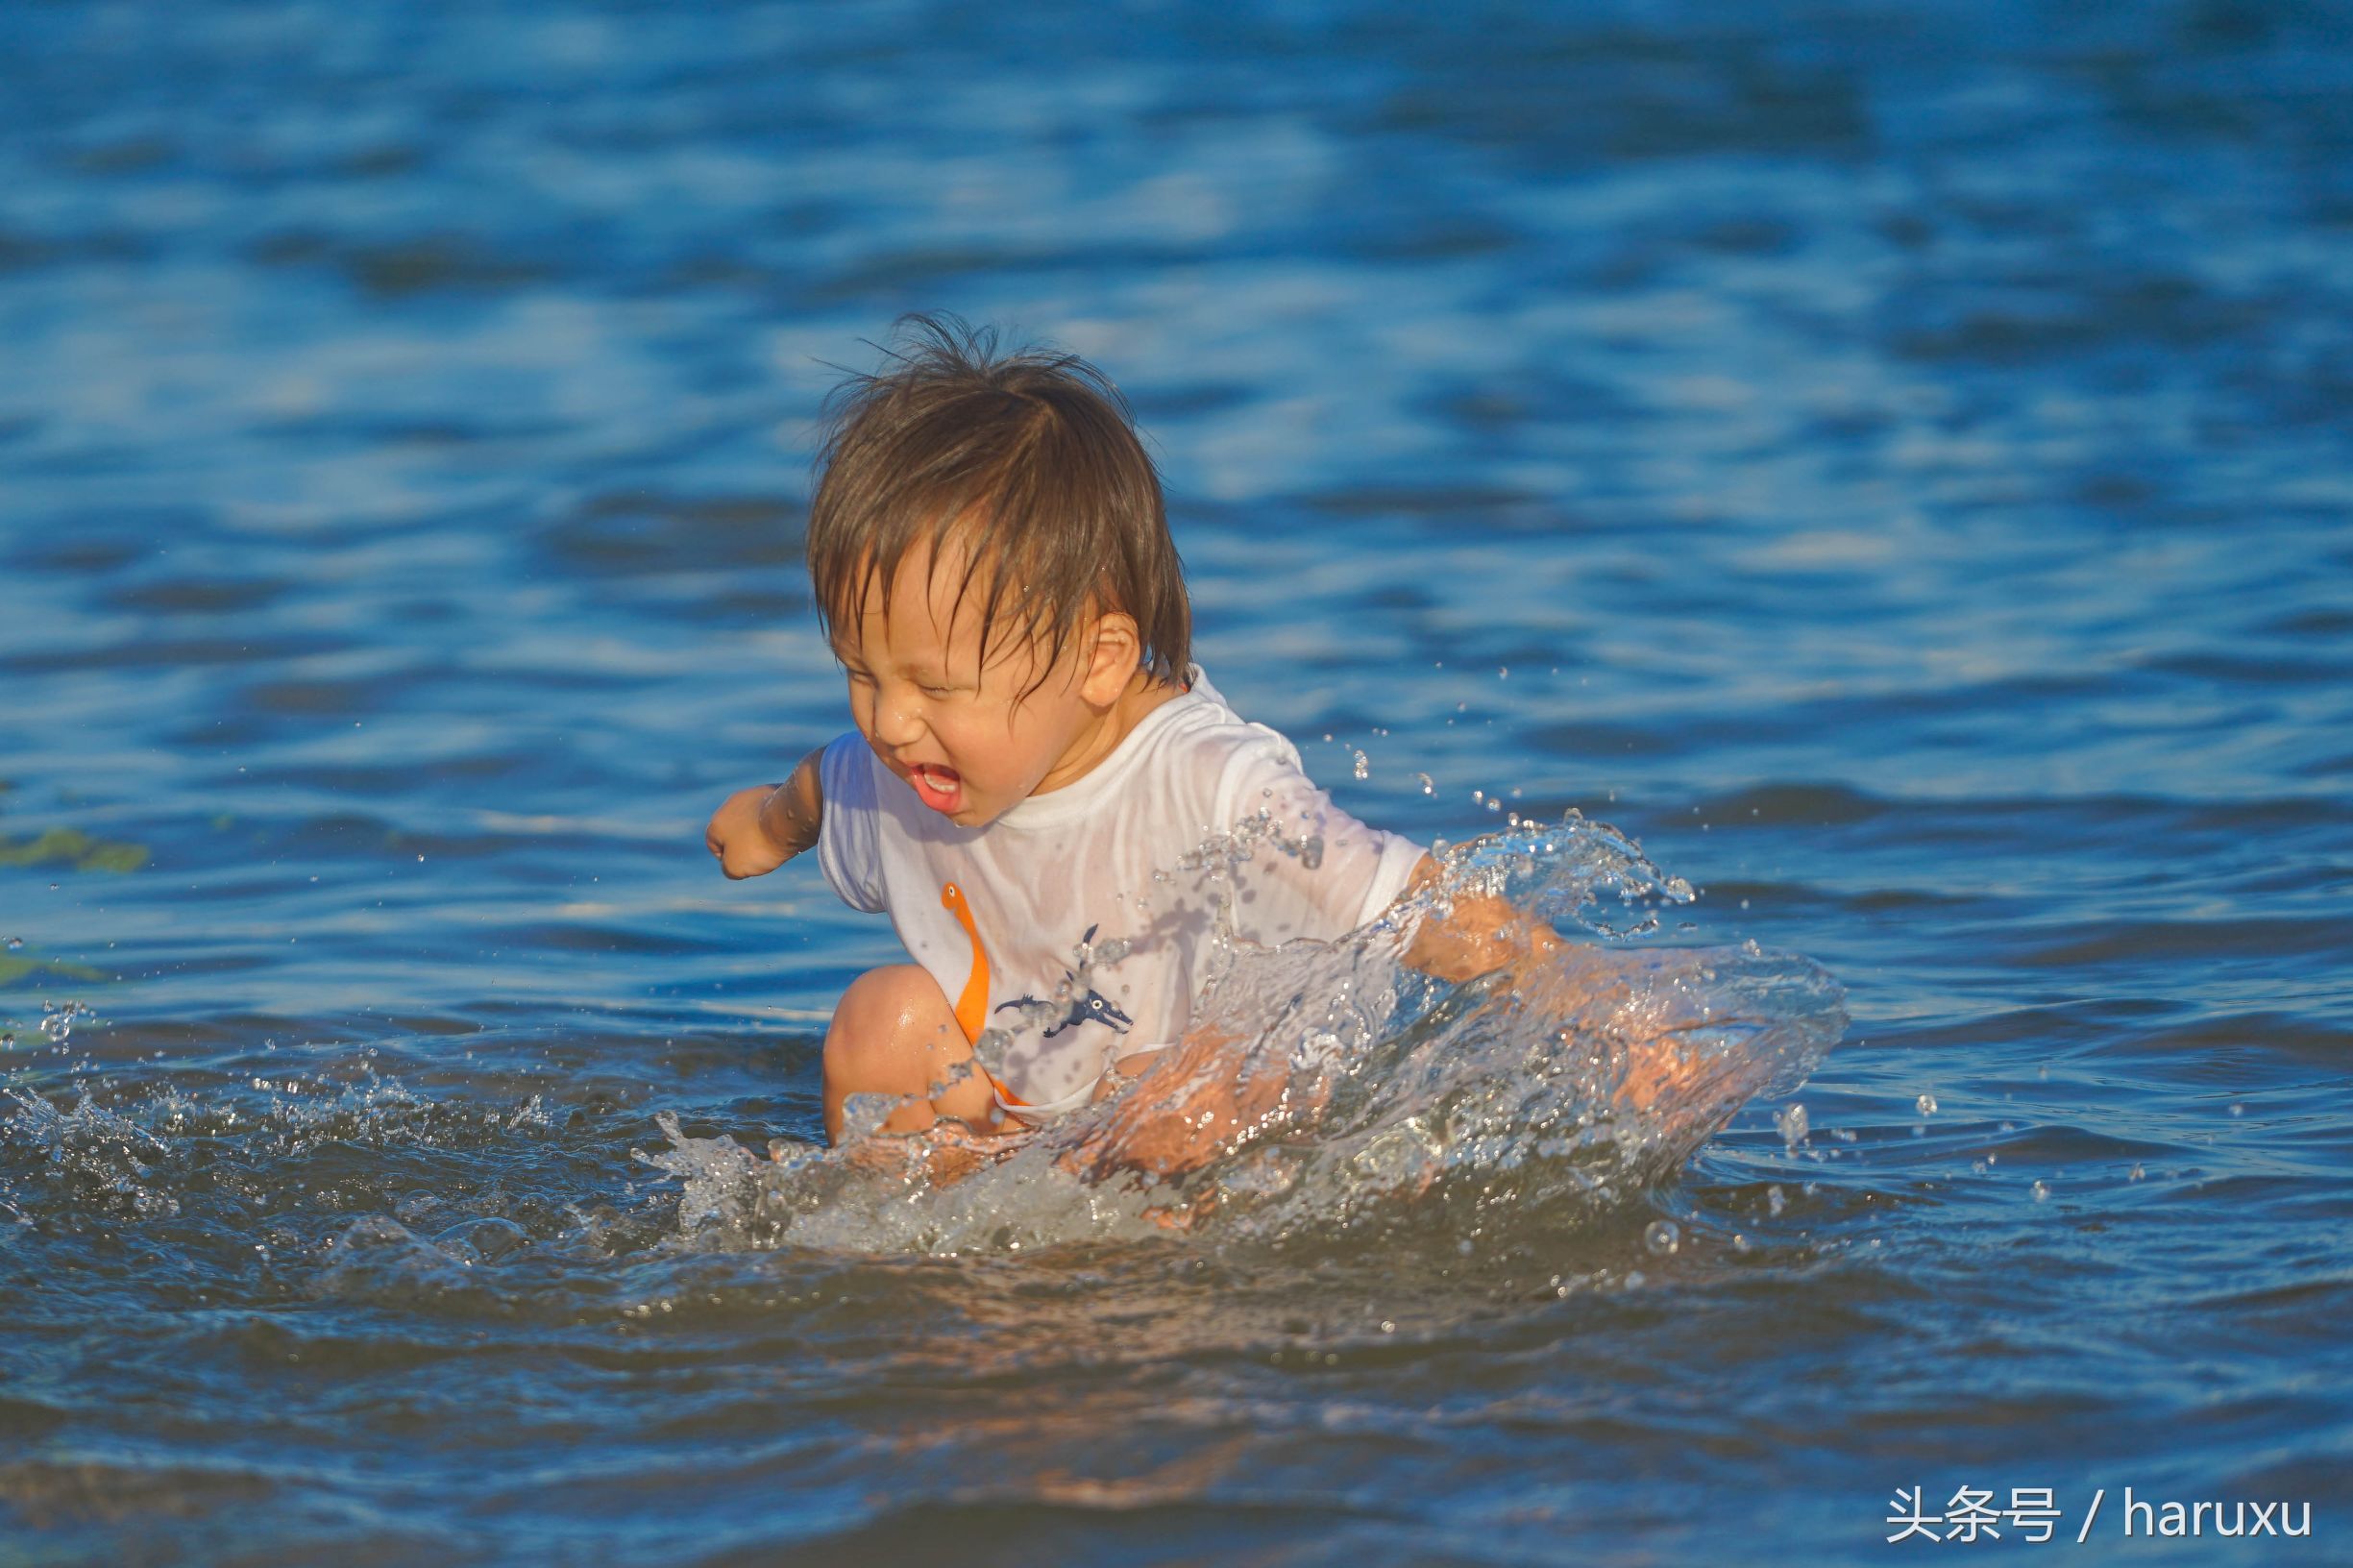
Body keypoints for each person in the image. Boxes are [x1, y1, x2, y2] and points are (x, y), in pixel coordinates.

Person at [707, 315, 1687, 1182]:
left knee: (1179, 1086)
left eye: (935, 685)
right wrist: (765, 827)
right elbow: (821, 790)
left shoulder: (1209, 787)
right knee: (884, 1022)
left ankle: (1156, 1262)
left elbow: (1409, 901)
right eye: (861, 672)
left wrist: (1580, 993)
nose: (888, 721)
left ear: (1098, 660)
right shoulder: (896, 773)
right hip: (1025, 1112)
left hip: (1220, 1121)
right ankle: (926, 1245)